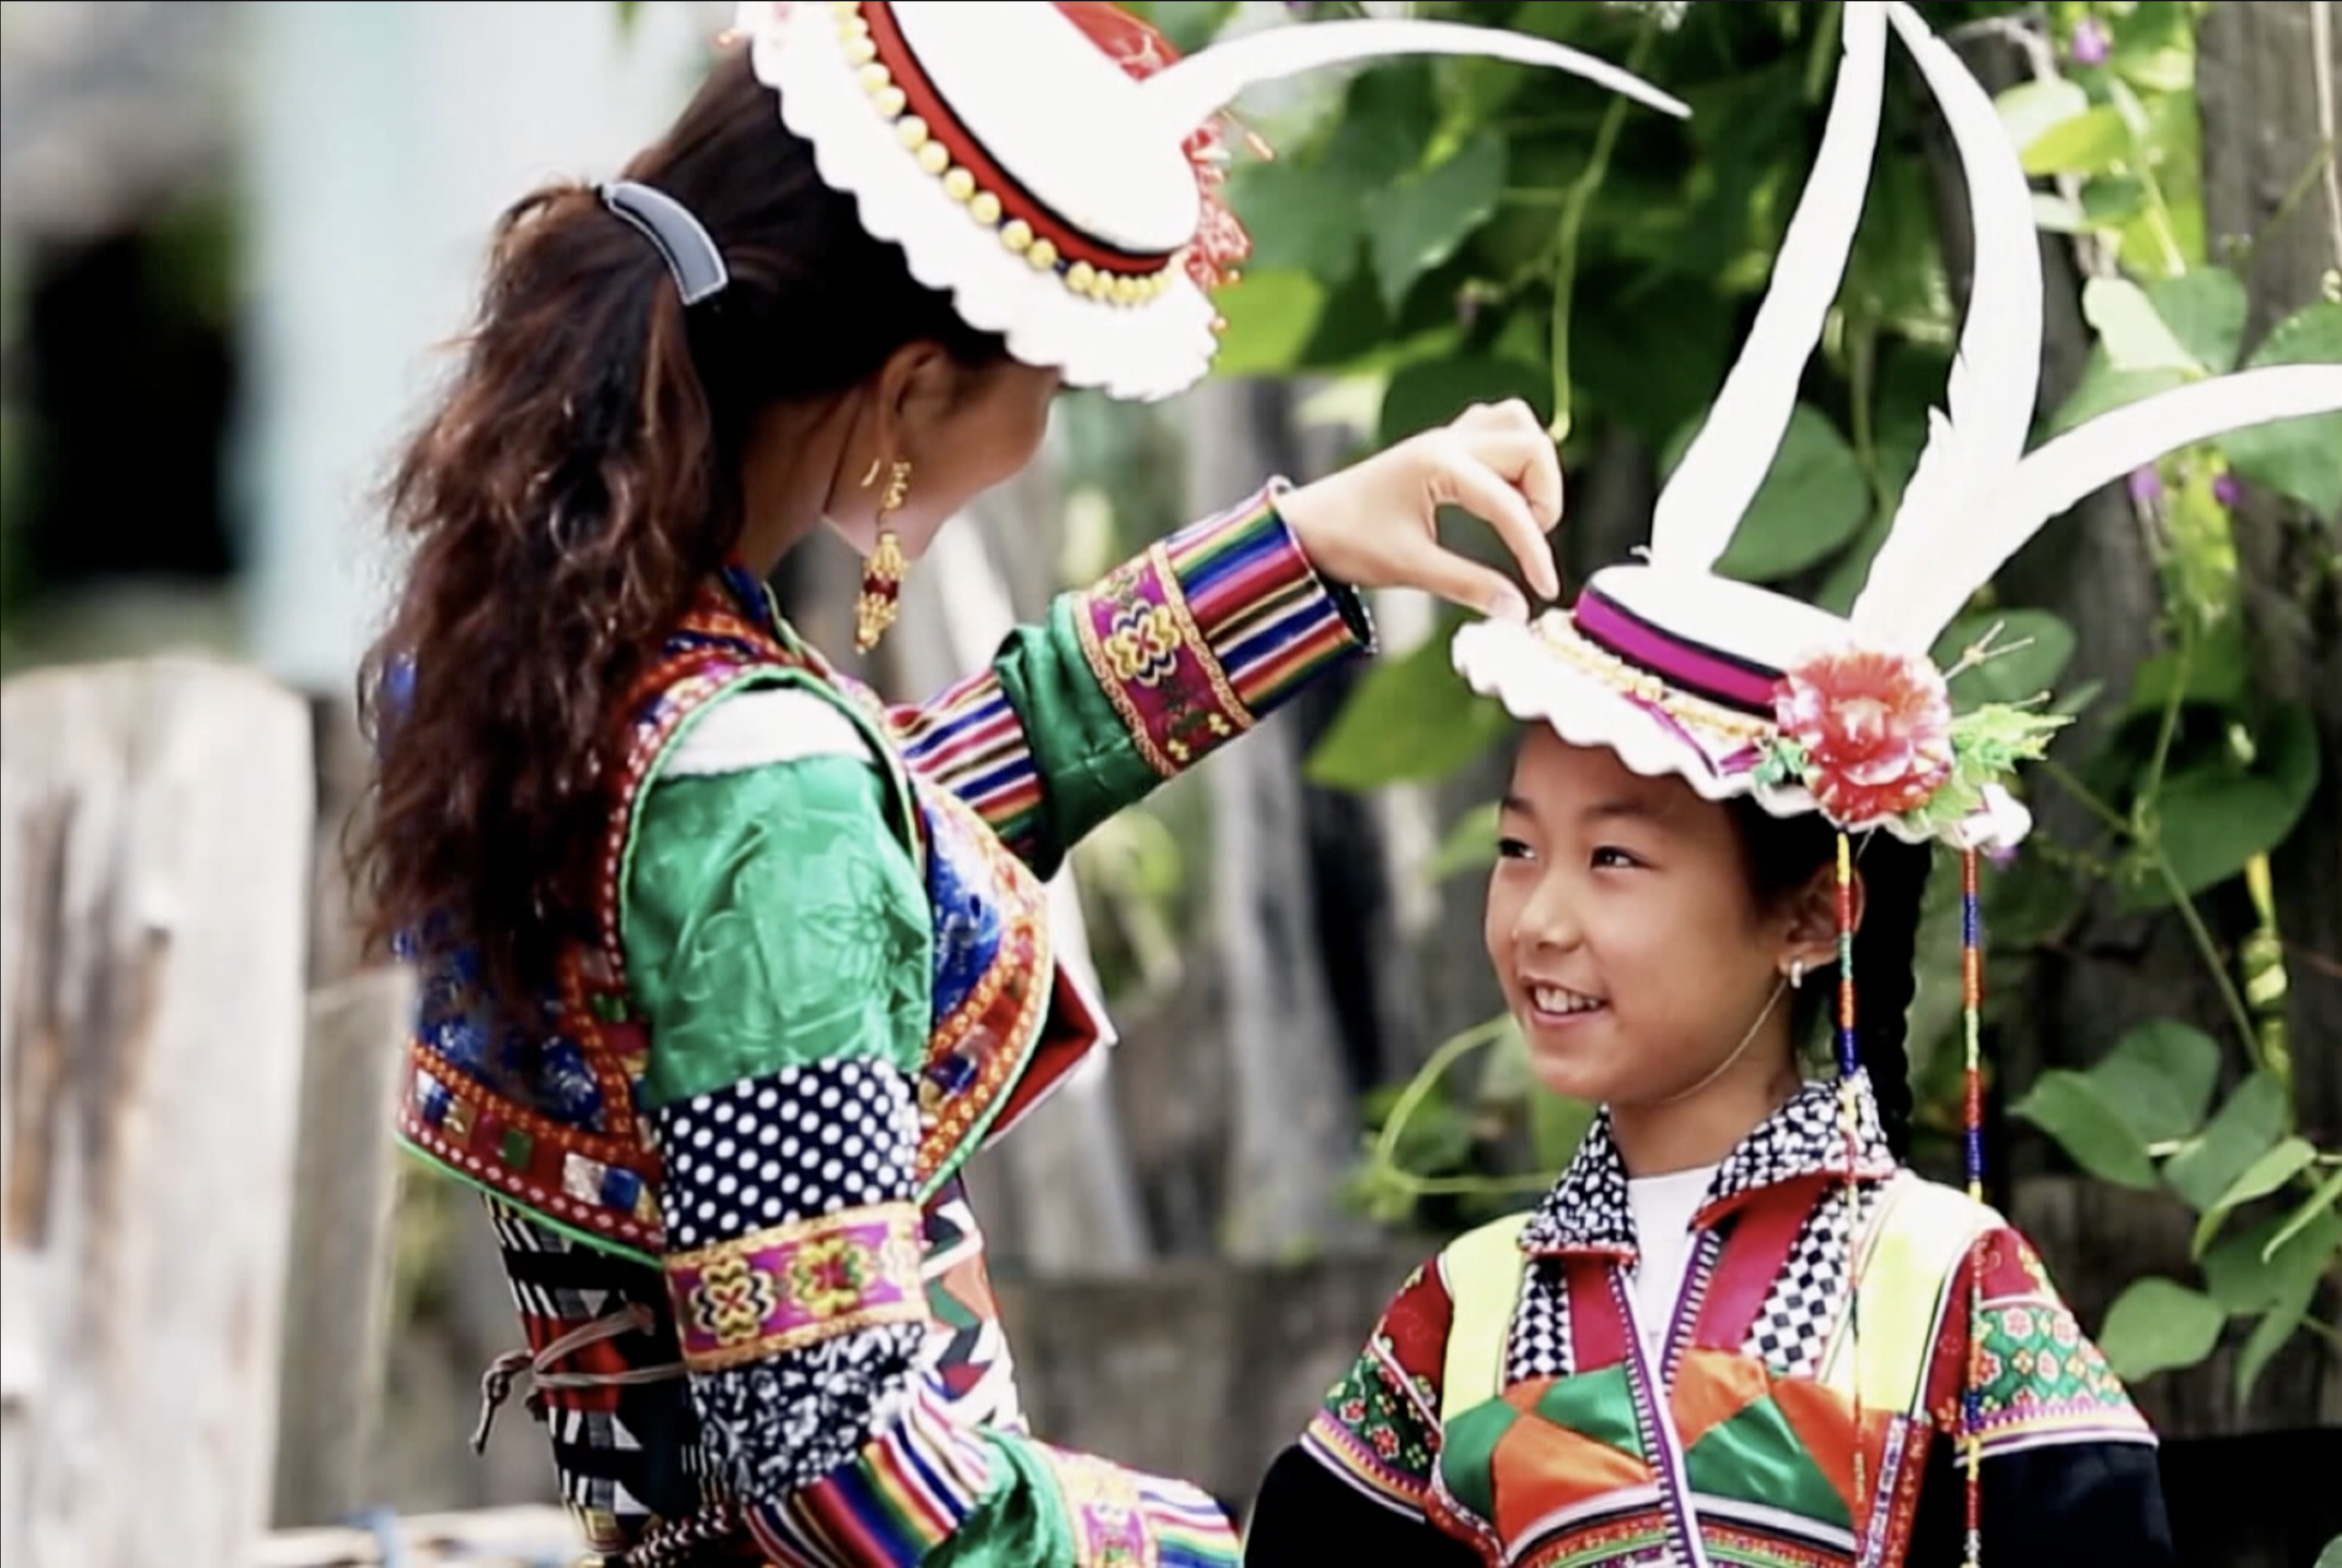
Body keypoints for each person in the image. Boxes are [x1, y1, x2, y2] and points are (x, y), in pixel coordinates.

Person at [355, 3, 1686, 1563]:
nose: (1042, 433)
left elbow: (876, 834)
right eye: (1046, 388)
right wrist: (1208, 1550)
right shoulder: (754, 792)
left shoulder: (561, 675)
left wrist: (1301, 552)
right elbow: (836, 1468)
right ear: (916, 390)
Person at [1241, 4, 2342, 1564]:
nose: (1538, 918)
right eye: (1518, 850)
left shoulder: (1940, 1287)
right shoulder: (1465, 1309)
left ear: (1806, 911)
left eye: (1617, 861)